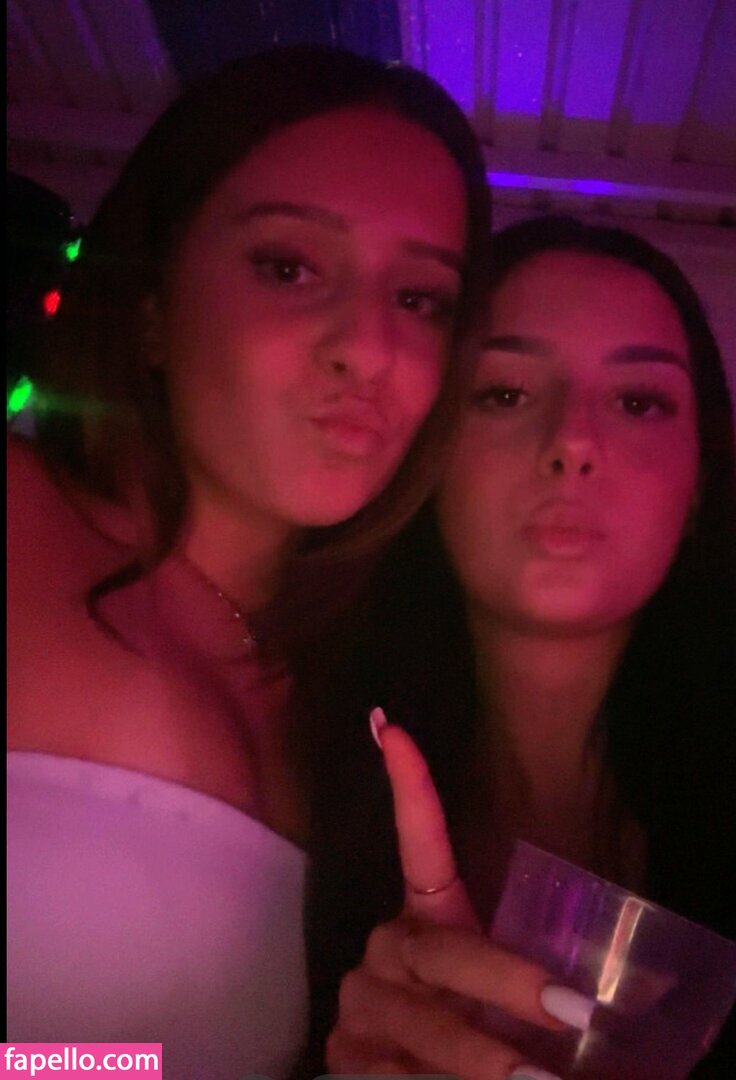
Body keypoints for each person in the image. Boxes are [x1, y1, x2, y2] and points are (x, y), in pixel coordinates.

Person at [6, 44, 491, 1079]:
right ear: (151, 308)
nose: (371, 348)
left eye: (422, 300)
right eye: (289, 267)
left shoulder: (374, 707)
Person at [298, 216, 736, 1077]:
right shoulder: (290, 771)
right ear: (430, 455)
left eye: (639, 403)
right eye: (506, 394)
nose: (574, 443)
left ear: (700, 479)